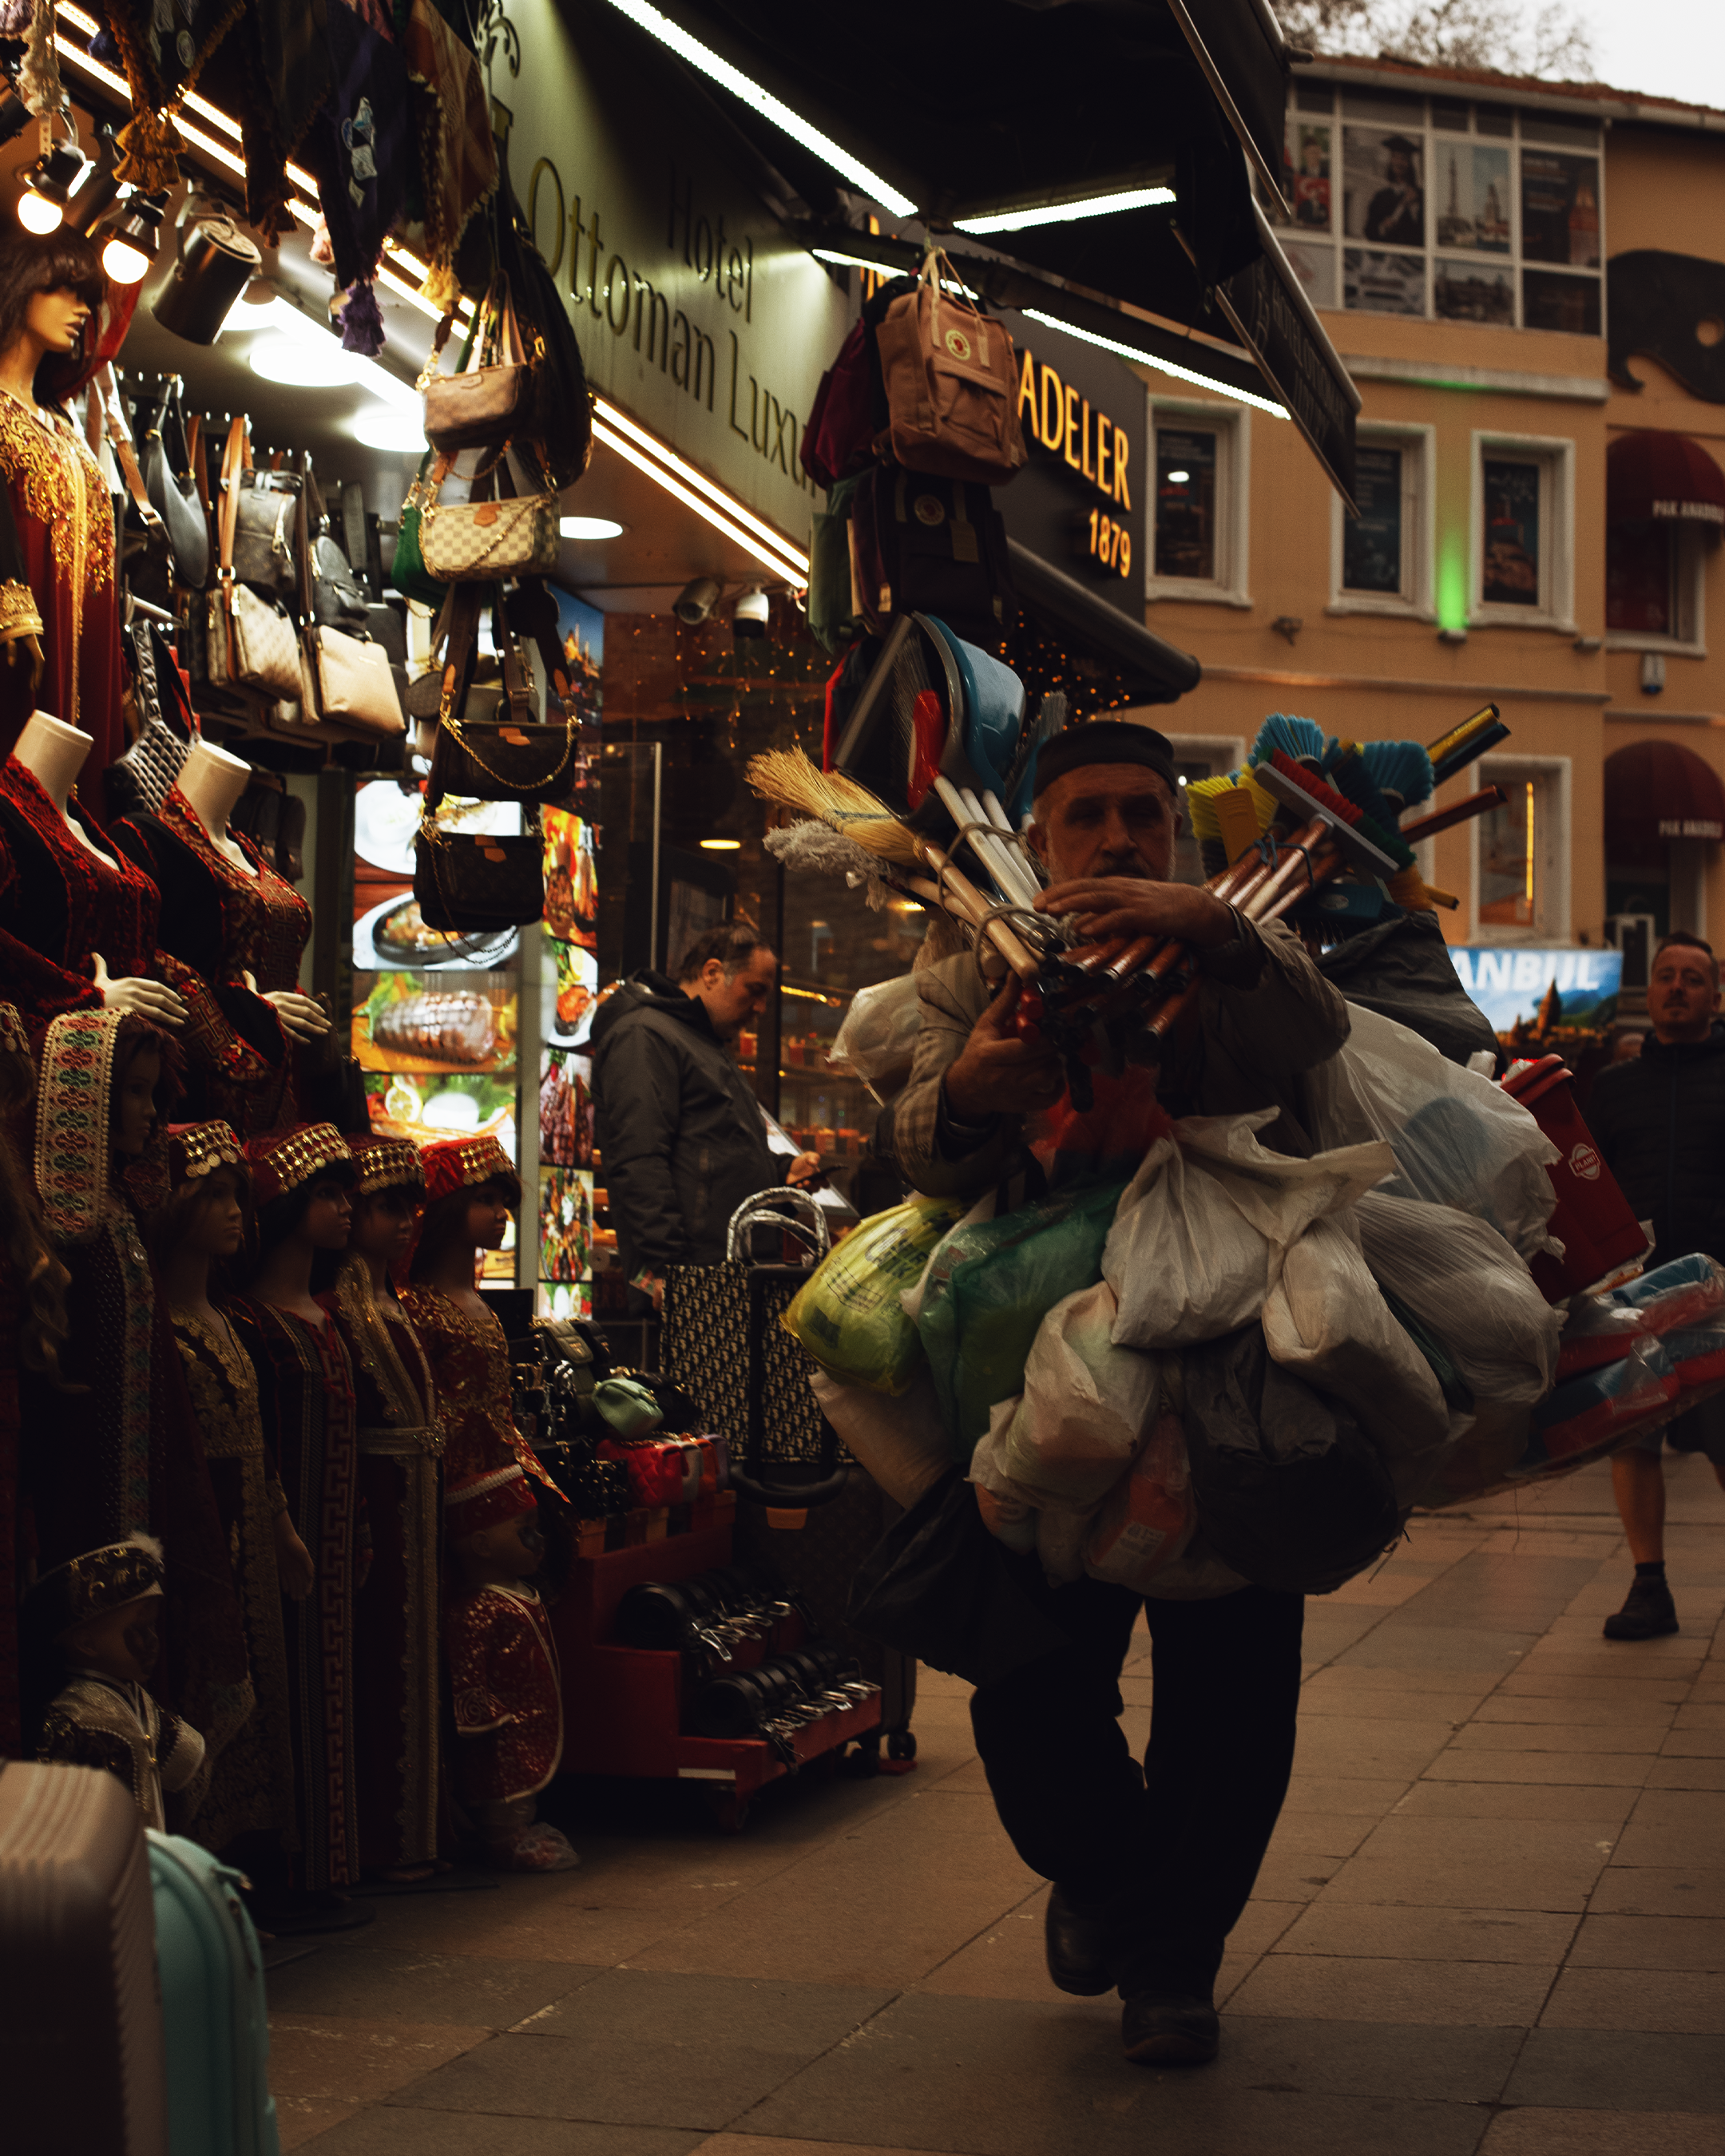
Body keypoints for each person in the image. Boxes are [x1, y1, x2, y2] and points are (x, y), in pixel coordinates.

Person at [890, 719, 1349, 2071]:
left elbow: (1310, 1043)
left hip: (1232, 1374)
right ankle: (1107, 1880)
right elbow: (909, 1142)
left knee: (1234, 1691)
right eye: (1084, 816)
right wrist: (969, 1093)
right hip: (1035, 1388)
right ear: (1035, 841)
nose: (1115, 840)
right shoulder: (975, 953)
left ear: (1178, 833)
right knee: (1027, 1685)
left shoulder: (1242, 938)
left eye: (1141, 815)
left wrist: (1218, 937)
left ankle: (1173, 1964)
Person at [1585, 933, 1725, 1639]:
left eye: (1692, 979)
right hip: (1632, 1299)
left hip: (1720, 1297)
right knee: (1634, 1439)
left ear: (1714, 996)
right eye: (1666, 976)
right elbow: (1585, 1179)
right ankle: (1650, 1587)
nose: (1676, 988)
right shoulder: (1614, 1090)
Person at [590, 923, 820, 1311]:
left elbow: (712, 1152)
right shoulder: (646, 1036)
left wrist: (781, 1172)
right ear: (713, 973)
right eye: (755, 990)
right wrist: (670, 1271)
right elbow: (639, 1158)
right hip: (688, 1284)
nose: (762, 1008)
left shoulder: (700, 1041)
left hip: (721, 1275)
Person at [1362, 134, 1423, 247]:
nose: (1398, 163)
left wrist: (1413, 208)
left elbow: (1425, 233)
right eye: (1395, 157)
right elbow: (1369, 231)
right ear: (1390, 161)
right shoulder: (1380, 197)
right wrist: (1383, 227)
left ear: (1410, 164)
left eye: (1403, 159)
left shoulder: (1420, 196)